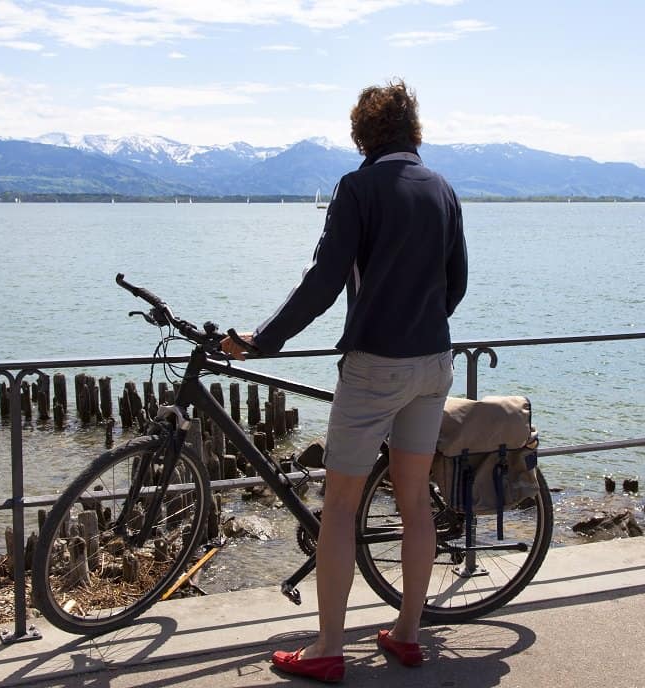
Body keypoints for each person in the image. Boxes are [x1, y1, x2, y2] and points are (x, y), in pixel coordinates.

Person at [222, 79, 467, 683]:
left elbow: (323, 280)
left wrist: (263, 339)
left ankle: (329, 646)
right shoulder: (444, 189)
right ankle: (407, 633)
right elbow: (456, 281)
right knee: (414, 502)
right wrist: (421, 323)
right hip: (434, 361)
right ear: (414, 129)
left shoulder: (358, 188)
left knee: (339, 507)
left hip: (374, 365)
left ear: (362, 134)